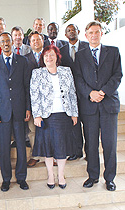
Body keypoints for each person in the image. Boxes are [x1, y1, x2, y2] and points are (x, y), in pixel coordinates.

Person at [75, 21, 122, 191]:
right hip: (89, 106)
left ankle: (109, 178)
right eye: (91, 33)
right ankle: (92, 176)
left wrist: (103, 92)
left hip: (108, 104)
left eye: (97, 32)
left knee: (109, 144)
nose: (94, 35)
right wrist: (90, 93)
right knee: (91, 144)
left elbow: (118, 75)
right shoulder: (80, 55)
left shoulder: (113, 52)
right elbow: (78, 78)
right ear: (86, 35)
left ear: (101, 34)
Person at [30, 45, 78, 189]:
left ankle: (61, 175)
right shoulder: (37, 73)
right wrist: (37, 115)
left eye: (51, 55)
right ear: (42, 59)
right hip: (46, 117)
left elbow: (72, 93)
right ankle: (51, 175)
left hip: (63, 114)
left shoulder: (66, 71)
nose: (49, 58)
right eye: (46, 56)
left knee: (62, 148)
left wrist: (74, 113)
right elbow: (34, 95)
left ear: (57, 56)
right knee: (48, 148)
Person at [0, 32, 30, 192]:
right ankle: (6, 179)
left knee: (21, 145)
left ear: (13, 42)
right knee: (4, 146)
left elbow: (26, 86)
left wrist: (27, 108)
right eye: (3, 41)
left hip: (20, 109)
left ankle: (21, 178)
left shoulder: (23, 61)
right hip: (2, 110)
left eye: (8, 40)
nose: (6, 43)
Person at [60, 24, 88, 161]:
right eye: (68, 31)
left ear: (79, 31)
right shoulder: (61, 50)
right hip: (70, 93)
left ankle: (90, 152)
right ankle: (77, 151)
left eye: (73, 30)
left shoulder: (87, 47)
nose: (71, 32)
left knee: (88, 124)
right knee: (74, 124)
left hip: (87, 92)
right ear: (65, 35)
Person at [25, 31, 44, 167]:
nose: (36, 42)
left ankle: (52, 155)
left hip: (48, 100)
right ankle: (35, 155)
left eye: (38, 39)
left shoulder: (50, 55)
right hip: (32, 100)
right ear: (30, 43)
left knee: (50, 128)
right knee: (33, 130)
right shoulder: (24, 59)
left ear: (43, 41)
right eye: (33, 40)